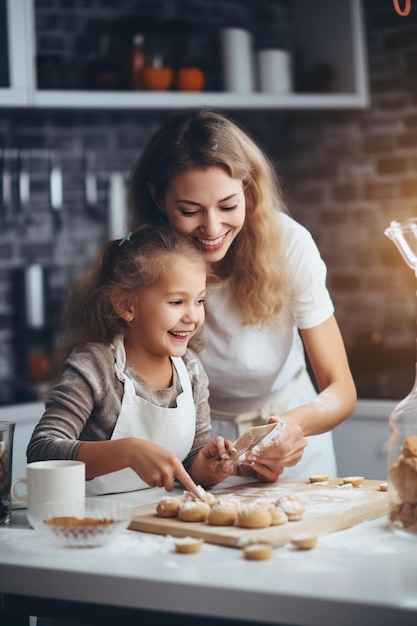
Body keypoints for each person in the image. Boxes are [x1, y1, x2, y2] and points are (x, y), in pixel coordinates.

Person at [127, 109, 357, 481]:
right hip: (198, 449)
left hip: (293, 446)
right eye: (190, 211)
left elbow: (341, 389)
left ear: (248, 190)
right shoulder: (140, 263)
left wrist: (290, 427)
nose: (213, 228)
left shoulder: (289, 245)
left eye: (229, 206)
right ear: (157, 198)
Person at [27, 225, 236, 497]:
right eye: (176, 302)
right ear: (126, 305)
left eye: (199, 301)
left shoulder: (192, 370)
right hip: (89, 525)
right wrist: (127, 452)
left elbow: (189, 462)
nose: (193, 316)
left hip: (156, 524)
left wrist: (208, 467)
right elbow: (41, 450)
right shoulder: (95, 367)